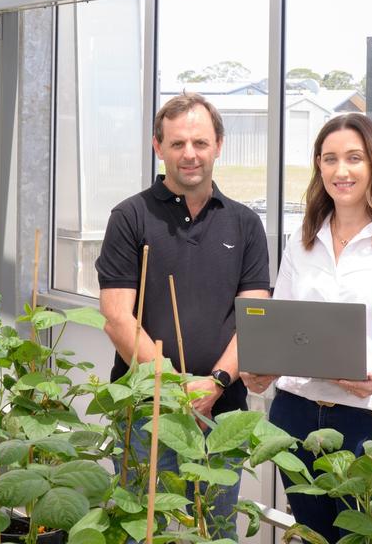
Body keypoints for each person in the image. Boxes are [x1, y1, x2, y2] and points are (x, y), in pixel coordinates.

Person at [242, 112, 372, 543]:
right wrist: (266, 368)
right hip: (297, 414)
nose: (341, 170)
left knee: (369, 538)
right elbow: (285, 325)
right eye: (329, 158)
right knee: (315, 537)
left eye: (354, 158)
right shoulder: (302, 239)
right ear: (319, 166)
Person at [96, 93, 271, 540]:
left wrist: (215, 385)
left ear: (218, 145)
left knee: (215, 530)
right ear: (158, 147)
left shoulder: (245, 224)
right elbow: (118, 319)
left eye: (199, 142)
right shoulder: (130, 217)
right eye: (177, 144)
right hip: (145, 411)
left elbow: (254, 317)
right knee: (140, 527)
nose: (189, 154)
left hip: (222, 412)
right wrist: (176, 390)